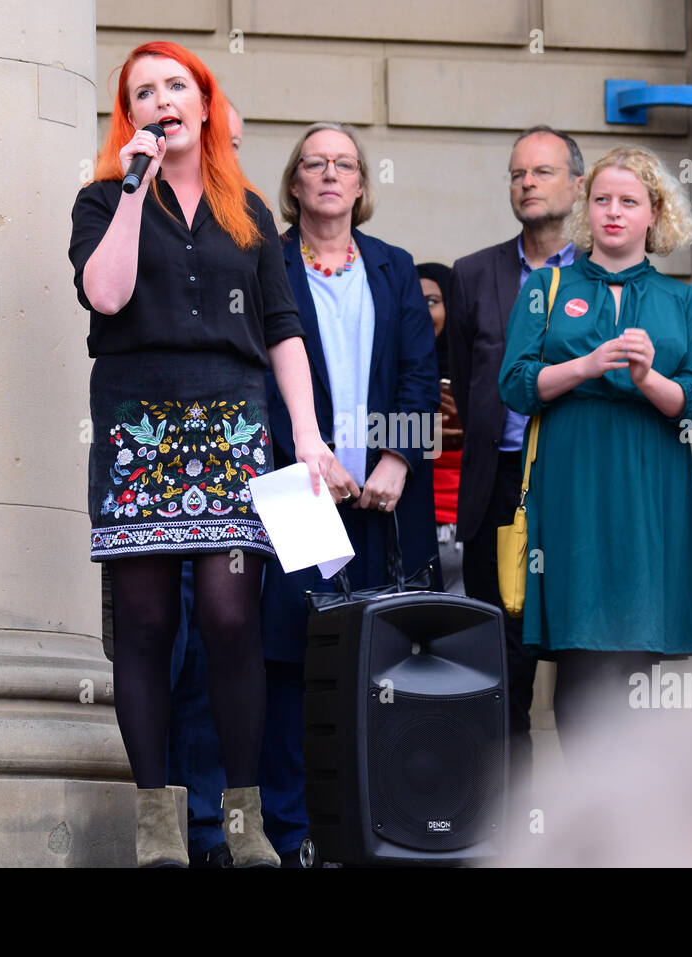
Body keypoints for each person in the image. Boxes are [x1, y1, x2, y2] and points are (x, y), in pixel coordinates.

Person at [68, 41, 335, 868]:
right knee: (146, 625)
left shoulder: (249, 208)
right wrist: (130, 188)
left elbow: (283, 328)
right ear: (130, 116)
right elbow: (106, 293)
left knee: (229, 619)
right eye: (142, 92)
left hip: (233, 423)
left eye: (175, 85)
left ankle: (245, 819)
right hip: (136, 423)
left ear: (206, 101)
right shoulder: (100, 196)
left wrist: (308, 433)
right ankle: (159, 828)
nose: (161, 99)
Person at [259, 122, 441, 862]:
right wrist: (309, 459)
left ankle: (376, 827)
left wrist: (398, 457)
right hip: (297, 491)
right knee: (292, 657)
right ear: (295, 184)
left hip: (381, 502)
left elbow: (420, 372)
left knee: (382, 659)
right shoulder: (266, 263)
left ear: (362, 185)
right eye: (315, 164)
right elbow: (257, 370)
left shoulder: (394, 267)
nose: (330, 173)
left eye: (344, 164)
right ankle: (293, 830)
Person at [498, 145, 692, 757]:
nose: (613, 212)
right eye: (602, 200)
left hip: (650, 487)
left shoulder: (683, 301)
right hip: (572, 484)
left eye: (629, 202)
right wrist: (585, 365)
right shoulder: (545, 286)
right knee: (580, 652)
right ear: (585, 210)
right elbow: (515, 384)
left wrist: (648, 378)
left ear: (655, 214)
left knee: (638, 662)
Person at [448, 125, 584, 787]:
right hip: (499, 491)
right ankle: (513, 830)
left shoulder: (605, 271)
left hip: (584, 488)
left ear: (576, 184)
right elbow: (462, 380)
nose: (526, 183)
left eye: (541, 171)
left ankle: (600, 825)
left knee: (587, 659)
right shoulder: (474, 274)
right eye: (516, 174)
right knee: (502, 668)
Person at [417, 261, 465, 594]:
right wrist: (423, 431)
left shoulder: (477, 369)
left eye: (432, 302)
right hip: (412, 521)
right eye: (413, 301)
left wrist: (471, 421)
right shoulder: (391, 372)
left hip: (466, 527)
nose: (422, 312)